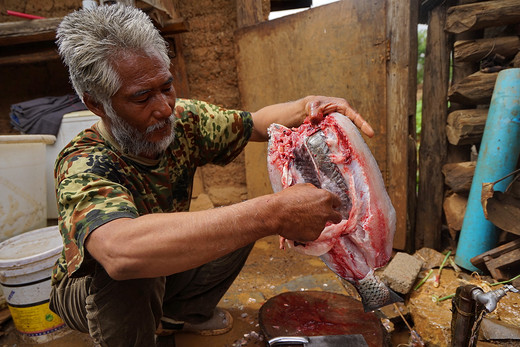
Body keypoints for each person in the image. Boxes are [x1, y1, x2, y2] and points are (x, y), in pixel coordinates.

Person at [49, 3, 375, 346]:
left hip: (160, 273)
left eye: (166, 86)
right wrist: (272, 213)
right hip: (85, 289)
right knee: (133, 271)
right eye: (141, 97)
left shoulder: (184, 119)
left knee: (234, 223)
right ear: (98, 104)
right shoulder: (83, 162)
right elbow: (119, 251)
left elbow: (257, 123)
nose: (163, 107)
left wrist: (308, 106)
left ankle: (178, 314)